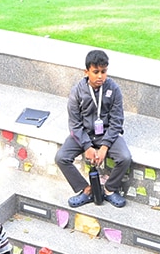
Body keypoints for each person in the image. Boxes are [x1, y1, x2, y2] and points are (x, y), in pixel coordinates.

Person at [55, 51, 132, 208]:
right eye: (95, 72)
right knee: (61, 157)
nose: (100, 76)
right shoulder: (77, 91)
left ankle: (110, 189)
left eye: (103, 72)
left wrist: (104, 146)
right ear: (86, 72)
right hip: (84, 135)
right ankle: (87, 190)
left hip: (107, 134)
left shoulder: (114, 89)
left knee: (125, 158)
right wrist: (87, 146)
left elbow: (117, 121)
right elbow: (75, 124)